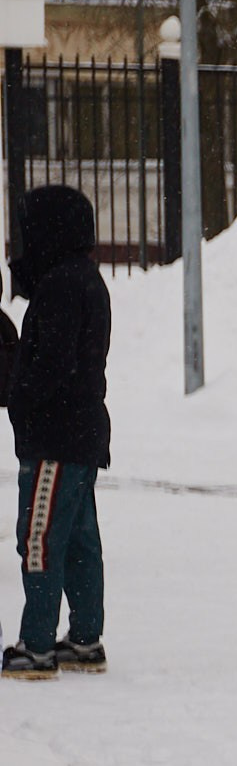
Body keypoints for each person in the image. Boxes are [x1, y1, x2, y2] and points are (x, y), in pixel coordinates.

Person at [5, 184, 112, 681]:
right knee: (79, 539)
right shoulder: (86, 279)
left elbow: (55, 363)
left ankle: (38, 644)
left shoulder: (60, 286)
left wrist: (23, 397)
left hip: (54, 438)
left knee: (41, 538)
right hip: (83, 433)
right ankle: (86, 637)